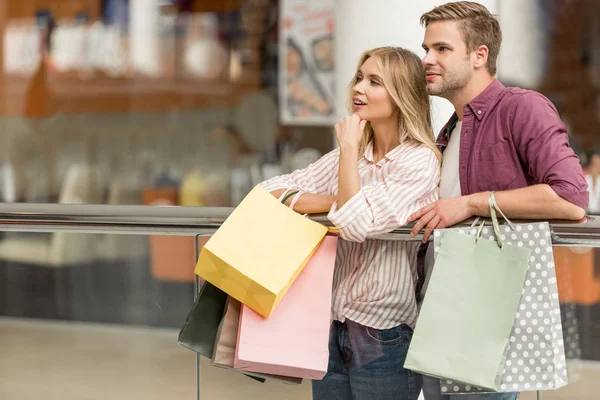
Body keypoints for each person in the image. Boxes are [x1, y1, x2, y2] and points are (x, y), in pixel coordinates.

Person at [409, 2, 589, 400]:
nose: (427, 59)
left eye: (441, 49)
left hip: (486, 316)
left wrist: (472, 203)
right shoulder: (451, 128)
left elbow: (571, 197)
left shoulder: (521, 108)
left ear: (479, 55)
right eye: (426, 49)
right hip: (440, 312)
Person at [259, 46, 441, 399]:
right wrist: (334, 201)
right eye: (359, 78)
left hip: (385, 333)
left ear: (402, 94)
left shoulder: (419, 161)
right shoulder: (354, 156)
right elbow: (268, 192)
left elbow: (354, 226)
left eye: (374, 82)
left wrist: (346, 151)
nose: (358, 88)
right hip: (330, 325)